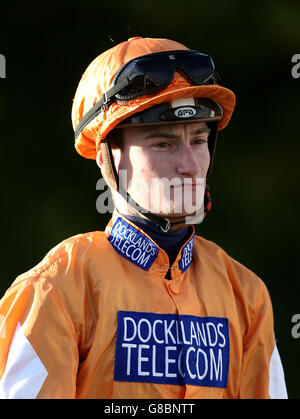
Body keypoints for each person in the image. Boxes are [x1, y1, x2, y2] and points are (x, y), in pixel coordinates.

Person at [0, 36, 288, 399]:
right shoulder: (54, 291)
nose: (189, 166)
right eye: (162, 144)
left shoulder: (247, 295)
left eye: (198, 140)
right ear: (107, 158)